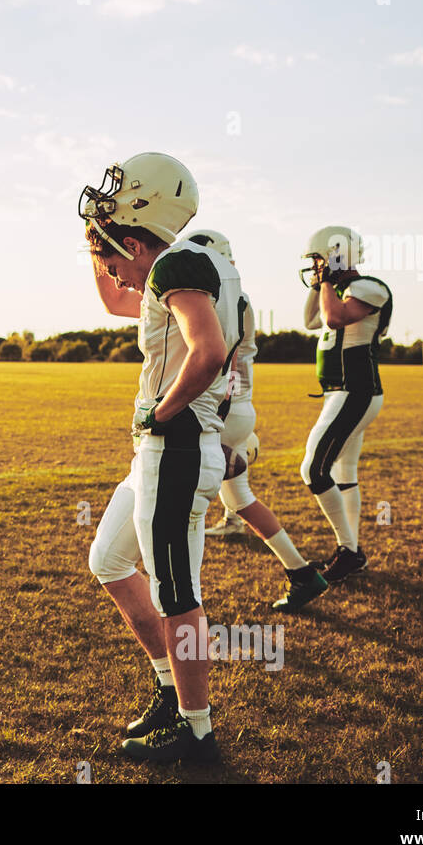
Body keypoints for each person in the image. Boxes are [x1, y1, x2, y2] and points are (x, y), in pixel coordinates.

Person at [81, 153, 239, 764]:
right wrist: (93, 248)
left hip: (171, 452)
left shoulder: (181, 260)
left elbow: (208, 353)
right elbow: (119, 301)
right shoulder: (187, 267)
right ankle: (169, 690)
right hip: (167, 453)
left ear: (137, 218)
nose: (113, 274)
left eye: (111, 256)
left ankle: (196, 732)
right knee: (110, 559)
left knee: (178, 593)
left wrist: (160, 413)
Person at [185, 230, 328, 613]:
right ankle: (301, 572)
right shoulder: (239, 295)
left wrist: (214, 411)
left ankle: (185, 601)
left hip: (221, 407)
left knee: (185, 503)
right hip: (237, 407)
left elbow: (216, 356)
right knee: (240, 498)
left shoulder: (219, 295)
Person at [298, 226, 392, 584]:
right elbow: (311, 321)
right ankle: (351, 550)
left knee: (313, 470)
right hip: (340, 391)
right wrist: (320, 283)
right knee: (343, 473)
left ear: (338, 255)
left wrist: (326, 283)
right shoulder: (334, 290)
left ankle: (348, 551)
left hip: (356, 390)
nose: (316, 266)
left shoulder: (370, 286)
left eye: (320, 259)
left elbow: (335, 318)